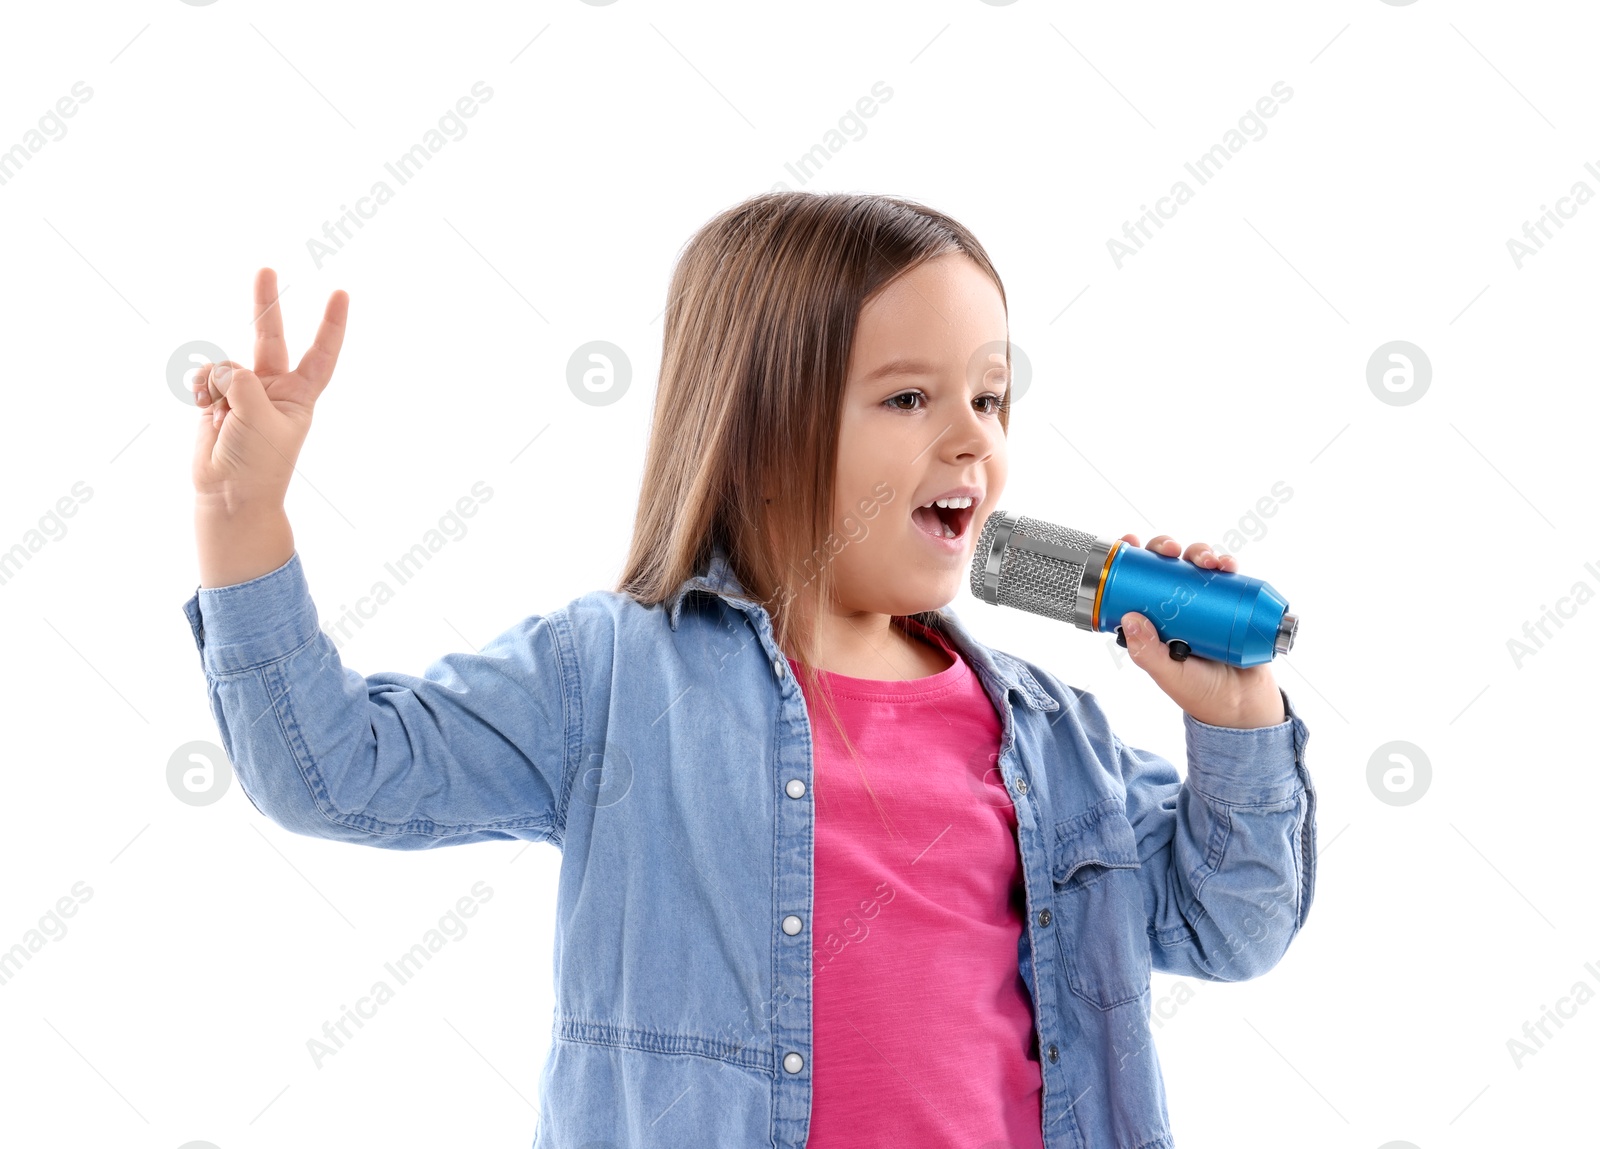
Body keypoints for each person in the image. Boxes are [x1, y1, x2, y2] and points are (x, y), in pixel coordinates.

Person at [181, 190, 1316, 1149]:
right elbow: (329, 770)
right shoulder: (612, 678)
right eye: (910, 398)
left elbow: (1231, 926)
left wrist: (1238, 722)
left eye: (989, 395)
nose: (973, 438)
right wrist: (244, 521)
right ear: (758, 428)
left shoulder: (1046, 730)